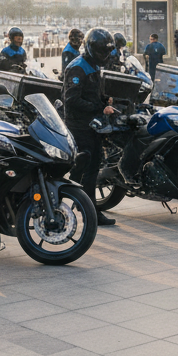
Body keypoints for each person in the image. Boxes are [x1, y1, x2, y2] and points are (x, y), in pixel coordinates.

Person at [64, 28, 118, 226]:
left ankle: (87, 207)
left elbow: (91, 94)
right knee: (87, 168)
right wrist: (99, 108)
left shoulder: (93, 65)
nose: (104, 55)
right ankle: (89, 211)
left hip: (92, 124)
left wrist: (104, 100)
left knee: (93, 167)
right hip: (79, 125)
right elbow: (71, 100)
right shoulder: (78, 67)